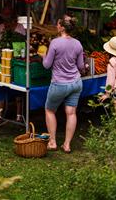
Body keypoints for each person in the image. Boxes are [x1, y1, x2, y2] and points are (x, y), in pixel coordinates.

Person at [40, 16, 85, 153]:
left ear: (62, 27)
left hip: (59, 84)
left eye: (58, 24)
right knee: (71, 113)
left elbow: (47, 65)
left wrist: (43, 56)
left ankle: (52, 142)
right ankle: (67, 144)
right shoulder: (78, 44)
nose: (57, 26)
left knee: (49, 110)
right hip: (76, 83)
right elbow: (81, 66)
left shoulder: (55, 43)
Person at [0, 6, 26, 123]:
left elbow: (23, 43)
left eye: (8, 15)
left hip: (17, 60)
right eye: (4, 15)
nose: (6, 18)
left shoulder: (20, 28)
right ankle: (0, 113)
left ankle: (19, 114)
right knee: (1, 84)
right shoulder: (1, 27)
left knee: (18, 84)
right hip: (3, 59)